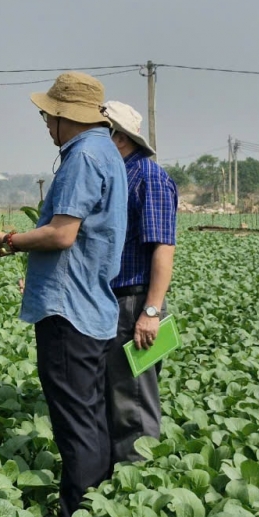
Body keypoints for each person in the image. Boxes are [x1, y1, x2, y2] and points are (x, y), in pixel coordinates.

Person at [0, 72, 127, 517]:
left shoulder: (82, 157)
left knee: (75, 424)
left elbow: (62, 234)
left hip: (68, 307)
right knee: (91, 417)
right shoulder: (109, 153)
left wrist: (7, 239)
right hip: (94, 305)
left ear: (66, 117)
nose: (45, 122)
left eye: (48, 114)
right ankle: (96, 513)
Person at [103, 100, 178, 465]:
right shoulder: (118, 175)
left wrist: (150, 311)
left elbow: (163, 247)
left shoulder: (148, 176)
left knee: (132, 402)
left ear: (119, 138)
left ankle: (138, 485)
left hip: (134, 303)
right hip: (114, 301)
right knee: (116, 397)